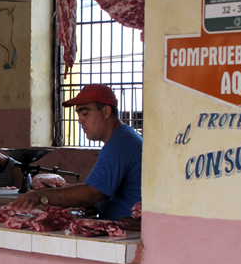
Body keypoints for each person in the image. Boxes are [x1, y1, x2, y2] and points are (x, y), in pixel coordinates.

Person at [10, 84, 142, 221]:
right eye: (78, 114)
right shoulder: (126, 137)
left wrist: (40, 196)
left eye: (85, 113)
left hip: (128, 233)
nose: (80, 120)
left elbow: (92, 193)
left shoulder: (118, 144)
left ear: (106, 112)